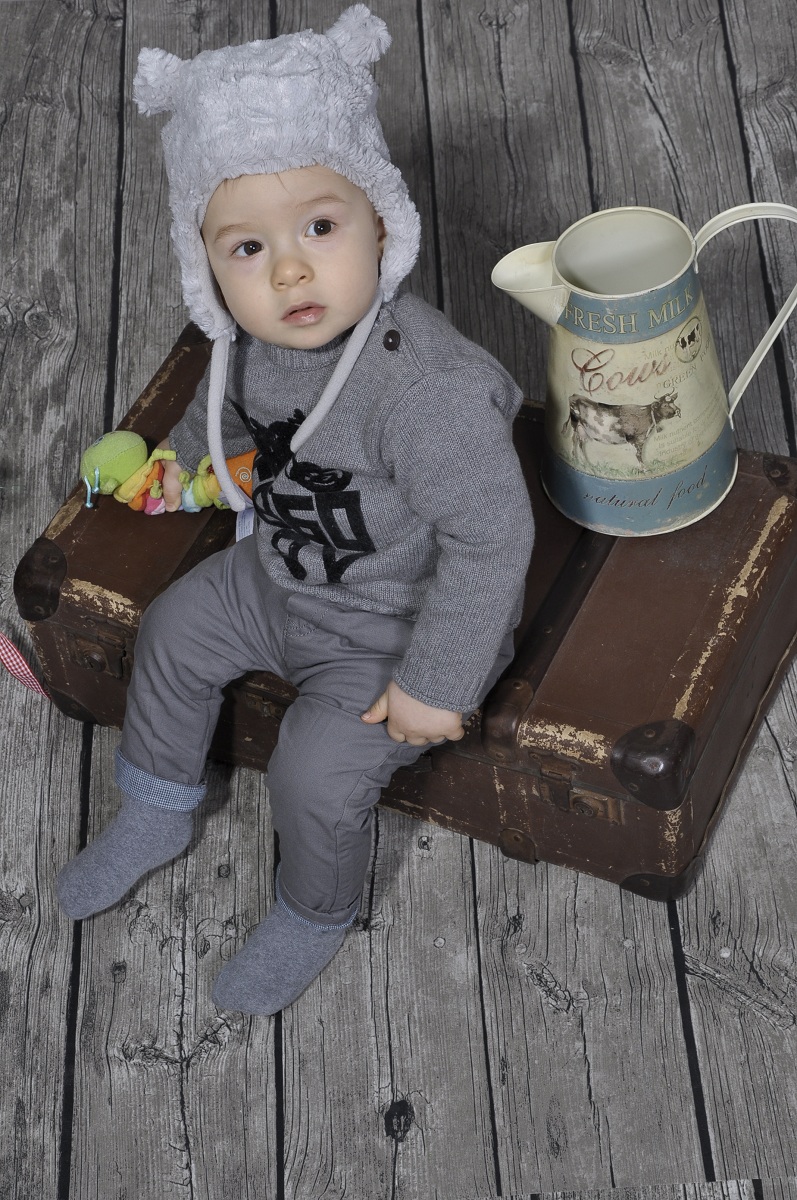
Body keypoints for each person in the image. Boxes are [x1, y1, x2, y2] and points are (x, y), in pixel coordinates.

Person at [56, 5, 534, 1015]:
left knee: (313, 773)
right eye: (246, 247)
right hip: (277, 573)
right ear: (207, 266)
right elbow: (220, 423)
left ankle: (314, 908)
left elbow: (491, 537)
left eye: (320, 227)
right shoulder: (246, 347)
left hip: (392, 625)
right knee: (173, 631)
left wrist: (435, 681)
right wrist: (183, 473)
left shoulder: (423, 392)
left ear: (380, 224)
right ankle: (157, 805)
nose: (288, 270)